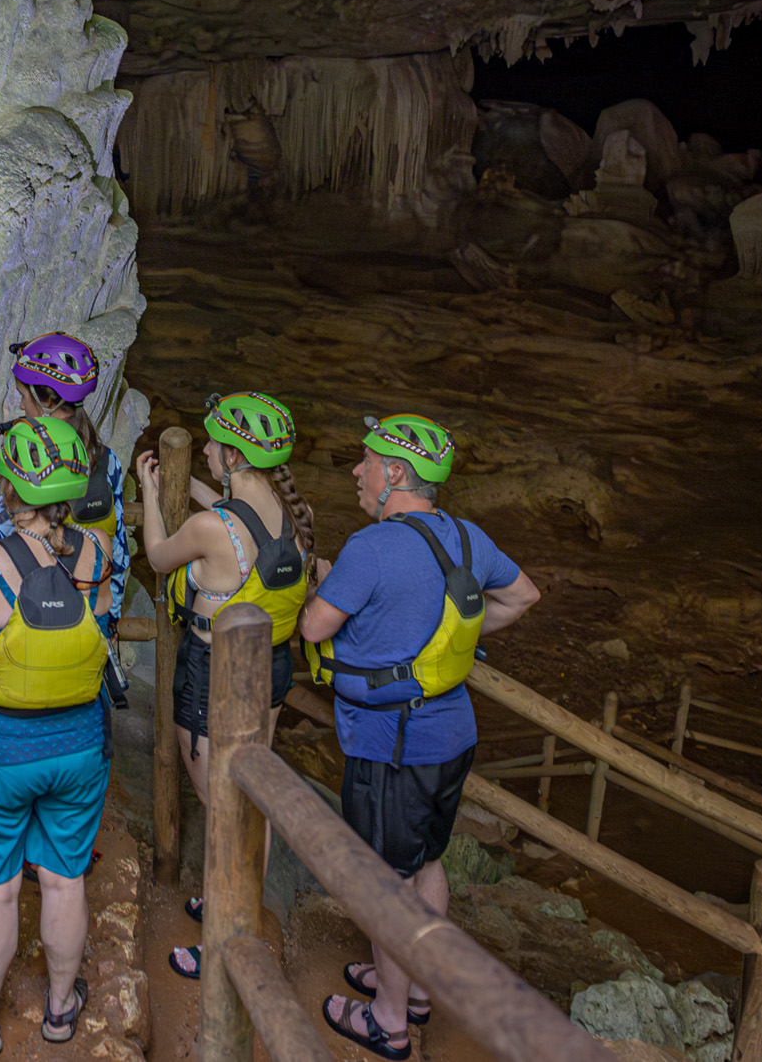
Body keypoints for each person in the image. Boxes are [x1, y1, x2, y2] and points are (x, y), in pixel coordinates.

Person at [298, 413, 542, 1061]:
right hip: (452, 733)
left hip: (392, 746)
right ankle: (414, 983)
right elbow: (522, 596)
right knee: (426, 861)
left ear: (395, 474)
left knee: (384, 881)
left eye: (367, 460)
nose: (357, 470)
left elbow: (317, 626)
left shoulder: (371, 547)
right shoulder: (466, 538)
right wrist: (448, 637)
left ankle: (388, 1020)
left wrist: (326, 586)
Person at [0, 416, 112, 1056]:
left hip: (1, 750)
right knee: (65, 879)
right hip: (80, 744)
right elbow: (96, 621)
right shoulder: (97, 553)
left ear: (8, 488)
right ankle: (61, 1010)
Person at [135, 392, 318, 981]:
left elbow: (162, 555)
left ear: (234, 457)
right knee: (249, 798)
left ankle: (226, 944)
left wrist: (151, 490)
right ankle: (235, 911)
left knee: (226, 811)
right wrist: (194, 489)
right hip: (270, 670)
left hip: (213, 675)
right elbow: (242, 522)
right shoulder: (291, 516)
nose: (206, 450)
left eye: (213, 444)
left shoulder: (213, 530)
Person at [0, 333, 131, 622]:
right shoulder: (107, 462)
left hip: (28, 624)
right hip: (88, 625)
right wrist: (108, 623)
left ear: (46, 400)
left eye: (23, 395)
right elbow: (117, 554)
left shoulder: (25, 461)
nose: (21, 406)